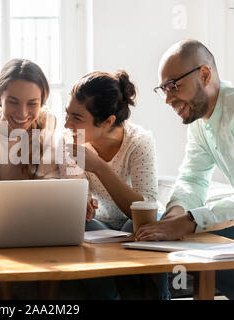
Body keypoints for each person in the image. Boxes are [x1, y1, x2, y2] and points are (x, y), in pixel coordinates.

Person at [137, 39, 234, 299]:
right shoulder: (200, 122)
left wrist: (191, 220)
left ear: (204, 75)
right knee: (197, 240)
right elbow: (193, 179)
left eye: (174, 86)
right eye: (163, 89)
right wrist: (174, 216)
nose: (168, 99)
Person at [65, 71, 169, 300]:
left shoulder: (139, 142)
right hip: (101, 226)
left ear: (108, 121)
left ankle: (160, 295)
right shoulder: (73, 143)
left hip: (139, 221)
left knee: (135, 226)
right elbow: (77, 188)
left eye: (76, 118)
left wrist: (99, 167)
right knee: (79, 229)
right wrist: (82, 203)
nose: (67, 123)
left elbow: (146, 209)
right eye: (67, 114)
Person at [0, 58, 92, 232]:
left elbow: (49, 183)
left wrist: (83, 202)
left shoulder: (47, 123)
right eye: (13, 101)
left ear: (42, 101)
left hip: (41, 227)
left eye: (32, 103)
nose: (22, 113)